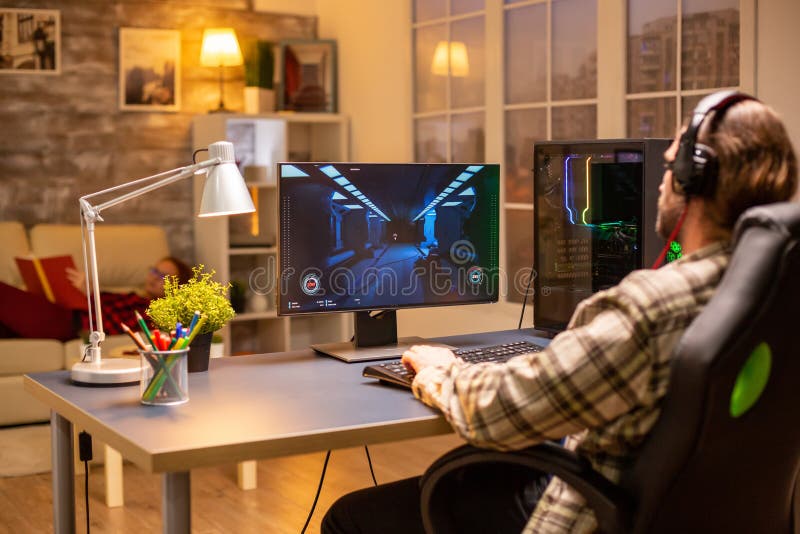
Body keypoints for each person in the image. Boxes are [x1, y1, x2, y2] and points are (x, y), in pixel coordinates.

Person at [321, 92, 798, 534]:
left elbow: (505, 410)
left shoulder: (651, 308)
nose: (660, 182)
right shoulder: (778, 294)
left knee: (351, 518)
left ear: (695, 181)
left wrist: (442, 370)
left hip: (594, 517)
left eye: (671, 167)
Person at [0, 256, 191, 341]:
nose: (154, 277)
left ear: (177, 287)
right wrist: (86, 291)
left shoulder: (154, 312)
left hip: (71, 323)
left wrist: (89, 295)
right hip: (66, 311)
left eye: (163, 276)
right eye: (154, 270)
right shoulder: (134, 296)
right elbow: (100, 301)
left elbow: (111, 325)